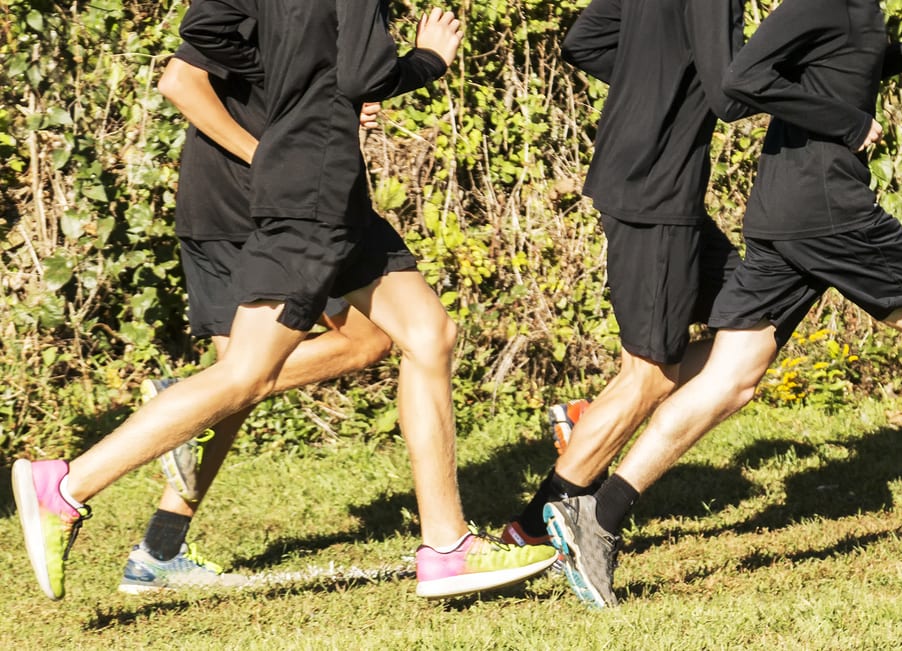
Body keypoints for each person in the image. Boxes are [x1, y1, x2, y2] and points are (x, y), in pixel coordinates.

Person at [13, 2, 556, 601]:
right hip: (308, 191)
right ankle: (67, 487)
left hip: (332, 192)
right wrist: (424, 61)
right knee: (246, 374)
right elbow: (363, 74)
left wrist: (307, 81)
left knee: (427, 333)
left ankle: (447, 546)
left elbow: (207, 29)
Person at [543, 2, 902, 608]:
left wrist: (901, 56)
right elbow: (742, 78)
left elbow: (821, 69)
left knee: (732, 376)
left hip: (783, 214)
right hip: (830, 211)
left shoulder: (853, 8)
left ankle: (598, 516)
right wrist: (848, 124)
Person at [115, 42, 396, 593]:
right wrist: (270, 158)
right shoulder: (242, 7)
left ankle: (159, 550)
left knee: (237, 385)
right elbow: (180, 82)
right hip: (258, 208)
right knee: (363, 340)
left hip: (229, 205)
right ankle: (188, 402)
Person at [500, 0, 753, 551]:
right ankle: (533, 527)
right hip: (656, 195)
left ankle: (592, 420)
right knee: (651, 375)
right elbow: (731, 93)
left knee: (755, 324)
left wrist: (654, 86)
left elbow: (583, 41)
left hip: (643, 183)